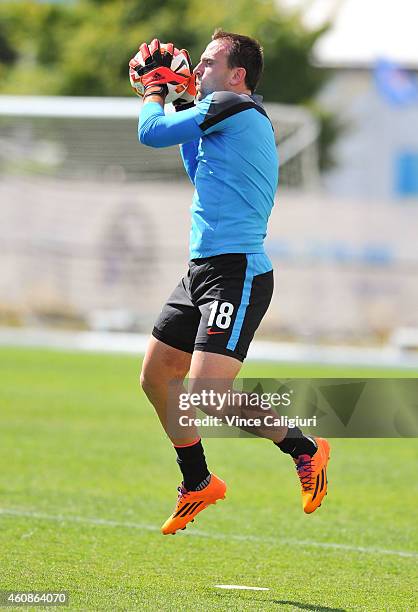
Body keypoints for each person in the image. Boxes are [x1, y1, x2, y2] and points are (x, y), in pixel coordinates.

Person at [131, 30, 330, 535]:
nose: (197, 69)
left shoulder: (235, 107)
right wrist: (178, 99)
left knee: (206, 394)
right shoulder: (219, 113)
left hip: (236, 270)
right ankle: (197, 480)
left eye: (208, 62)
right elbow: (196, 166)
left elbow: (151, 133)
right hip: (201, 269)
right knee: (157, 378)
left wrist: (157, 93)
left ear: (236, 75)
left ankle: (304, 447)